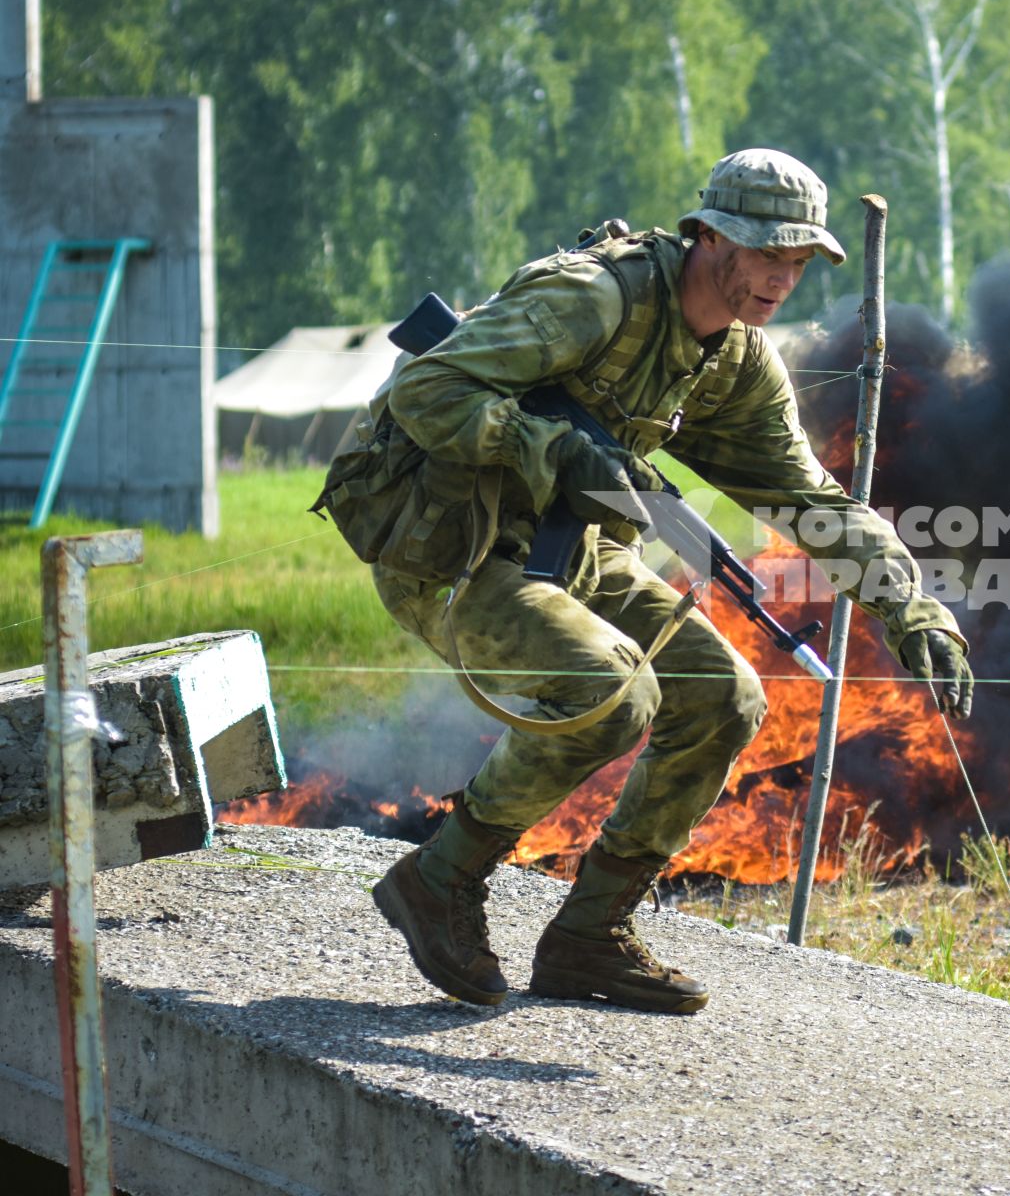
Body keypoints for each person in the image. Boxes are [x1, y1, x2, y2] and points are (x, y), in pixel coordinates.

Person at [339, 149, 972, 1014]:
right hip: (454, 544)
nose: (782, 278)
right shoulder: (594, 297)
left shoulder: (737, 363)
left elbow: (805, 496)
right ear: (708, 236)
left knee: (723, 697)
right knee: (613, 691)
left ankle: (589, 937)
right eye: (767, 254)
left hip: (572, 545)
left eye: (798, 261)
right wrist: (550, 449)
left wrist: (910, 607)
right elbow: (429, 388)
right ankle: (440, 880)